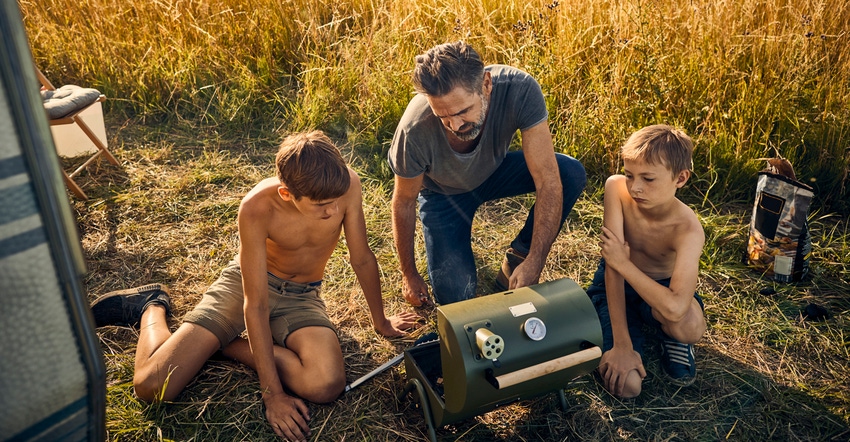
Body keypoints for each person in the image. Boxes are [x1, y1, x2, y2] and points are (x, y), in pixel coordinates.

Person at [90, 131, 420, 441]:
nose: (334, 210)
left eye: (336, 201)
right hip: (246, 286)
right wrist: (273, 395)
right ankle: (152, 305)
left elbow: (361, 258)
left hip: (302, 296)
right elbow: (255, 303)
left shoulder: (345, 184)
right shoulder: (256, 206)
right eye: (321, 206)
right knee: (152, 386)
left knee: (326, 384)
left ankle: (220, 344)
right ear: (288, 194)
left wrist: (381, 322)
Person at [388, 41, 586, 306]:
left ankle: (517, 256)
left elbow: (548, 181)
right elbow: (404, 201)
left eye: (462, 111)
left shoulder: (521, 89)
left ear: (486, 84)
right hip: (442, 194)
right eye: (443, 117)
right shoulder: (414, 129)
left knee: (569, 173)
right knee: (458, 299)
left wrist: (534, 260)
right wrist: (409, 274)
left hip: (493, 172)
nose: (455, 125)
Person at [588, 124, 707, 398]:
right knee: (628, 387)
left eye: (648, 179)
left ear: (680, 178)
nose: (635, 187)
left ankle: (671, 339)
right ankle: (622, 333)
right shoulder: (616, 189)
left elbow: (676, 307)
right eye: (630, 175)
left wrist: (624, 263)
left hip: (658, 292)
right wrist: (622, 346)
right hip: (614, 284)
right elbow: (613, 272)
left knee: (689, 327)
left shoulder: (688, 229)